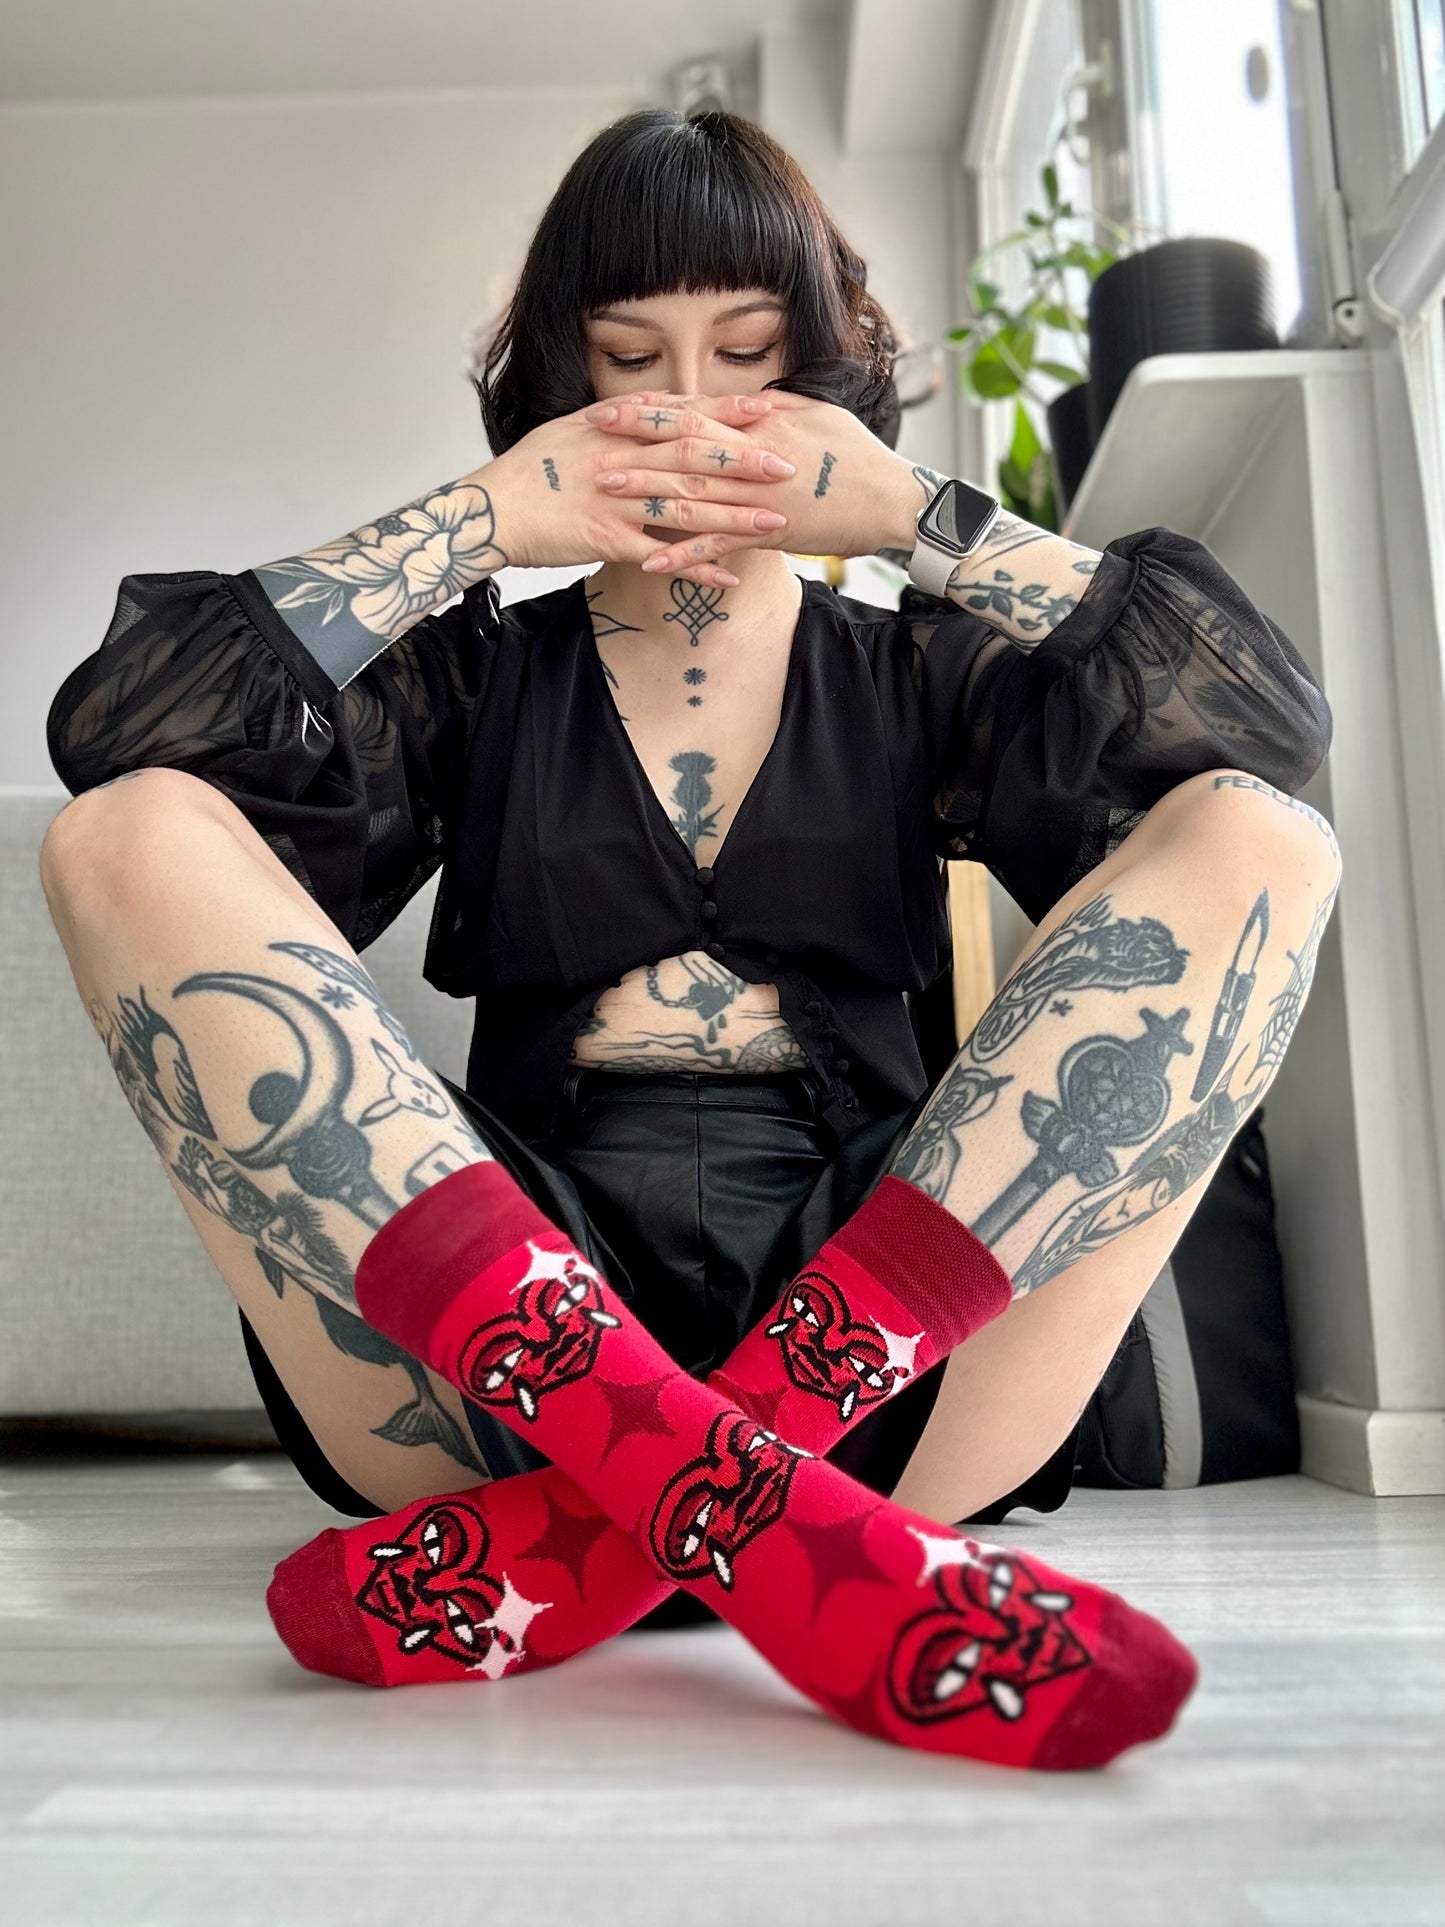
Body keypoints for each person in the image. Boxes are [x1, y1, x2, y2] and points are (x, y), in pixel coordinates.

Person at [40, 109, 1337, 1753]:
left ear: (824, 380)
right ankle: (764, 1527)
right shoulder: (472, 682)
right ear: (559, 392)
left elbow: (1266, 726)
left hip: (890, 1340)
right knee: (124, 830)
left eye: (747, 358)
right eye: (628, 362)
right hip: (499, 1333)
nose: (693, 416)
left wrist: (919, 519)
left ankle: (628, 1522)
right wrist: (469, 525)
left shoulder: (915, 671)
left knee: (1260, 834)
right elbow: (118, 729)